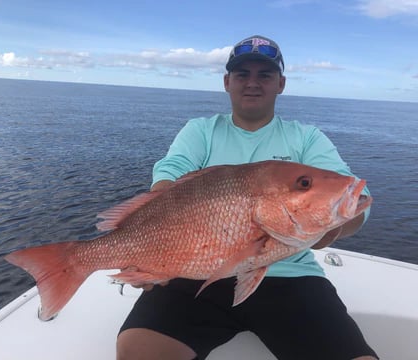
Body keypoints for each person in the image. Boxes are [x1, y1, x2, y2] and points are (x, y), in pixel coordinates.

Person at [116, 35, 378, 360]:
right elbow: (170, 175)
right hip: (195, 272)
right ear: (227, 82)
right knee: (137, 351)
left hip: (290, 275)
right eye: (242, 74)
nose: (252, 83)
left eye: (264, 75)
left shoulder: (306, 138)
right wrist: (149, 251)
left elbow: (358, 197)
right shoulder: (200, 130)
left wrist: (332, 225)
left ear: (280, 84)